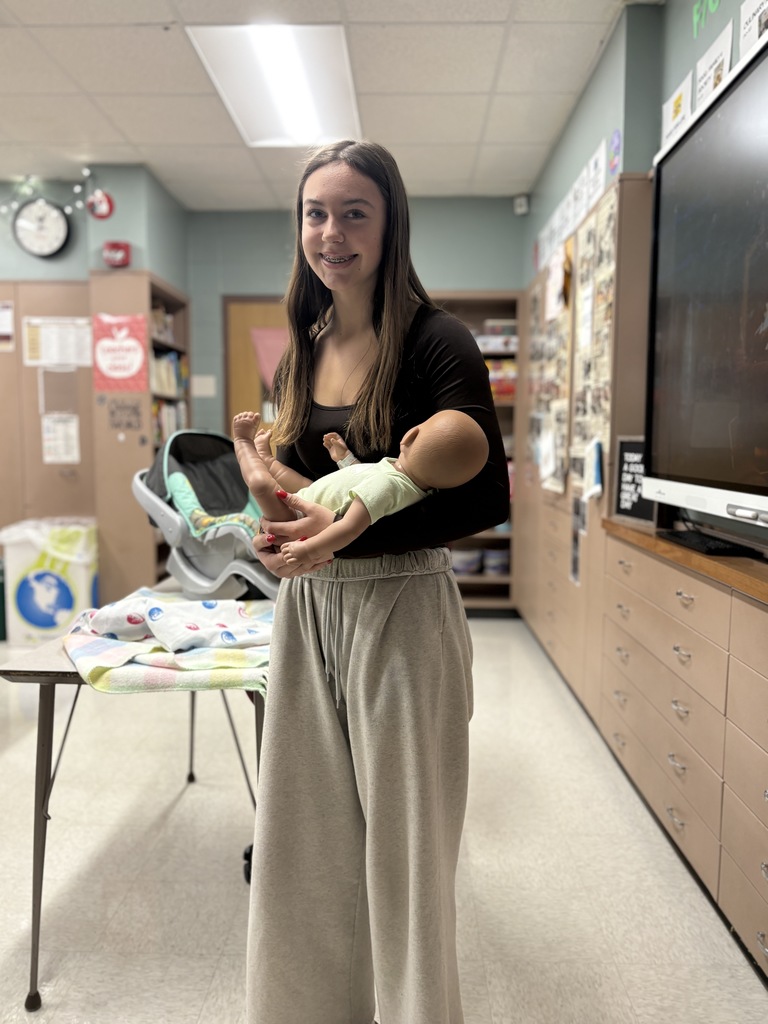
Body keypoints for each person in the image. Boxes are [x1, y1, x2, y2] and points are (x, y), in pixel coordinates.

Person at [245, 140, 510, 1024]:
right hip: (308, 614)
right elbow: (297, 501)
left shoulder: (438, 340)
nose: (331, 232)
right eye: (316, 213)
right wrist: (273, 521)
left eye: (354, 211)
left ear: (390, 222)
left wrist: (371, 512)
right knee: (302, 849)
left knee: (407, 860)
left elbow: (486, 491)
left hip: (400, 609)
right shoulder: (300, 352)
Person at [231, 407, 490, 570]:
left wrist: (309, 550)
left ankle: (243, 443)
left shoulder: (390, 485)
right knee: (304, 486)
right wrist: (344, 459)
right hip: (316, 498)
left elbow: (348, 526)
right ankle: (268, 462)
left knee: (262, 485)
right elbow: (364, 480)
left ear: (410, 435)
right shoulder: (405, 482)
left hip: (297, 520)